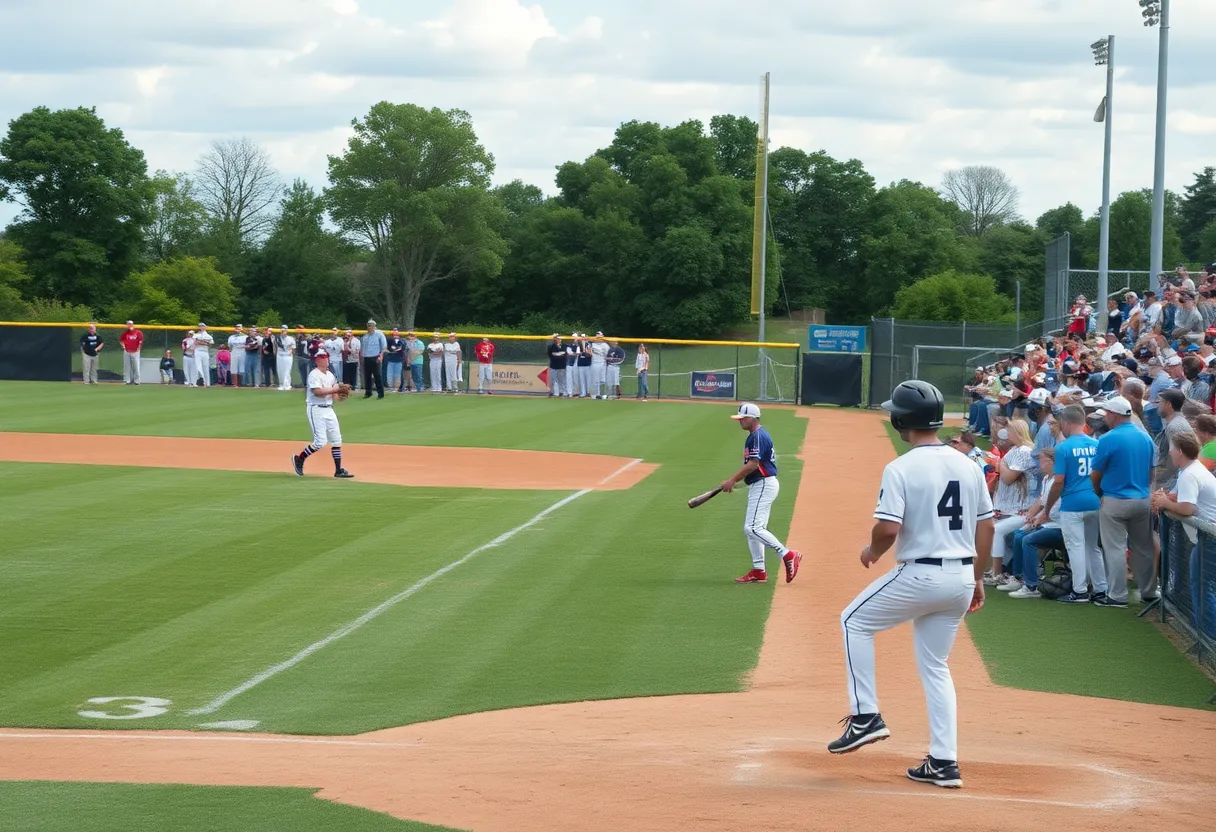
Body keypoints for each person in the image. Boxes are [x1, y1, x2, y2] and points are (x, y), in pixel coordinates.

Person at [829, 380, 991, 792]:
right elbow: (986, 525)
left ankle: (865, 716)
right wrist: (976, 578)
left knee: (853, 621)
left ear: (902, 420)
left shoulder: (901, 467)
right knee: (937, 668)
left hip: (922, 573)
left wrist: (872, 550)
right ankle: (943, 762)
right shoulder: (968, 463)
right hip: (959, 577)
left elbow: (888, 527)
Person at [722, 402, 802, 584]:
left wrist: (732, 480)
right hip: (761, 484)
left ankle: (788, 554)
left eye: (743, 418)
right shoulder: (755, 435)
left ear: (753, 418)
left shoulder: (757, 436)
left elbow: (753, 464)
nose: (740, 422)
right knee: (754, 529)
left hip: (764, 484)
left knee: (752, 528)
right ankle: (759, 570)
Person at [1091, 396, 1157, 608]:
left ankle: (1117, 596)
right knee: (1144, 547)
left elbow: (1096, 474)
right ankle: (1148, 592)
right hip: (1142, 499)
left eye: (1107, 414)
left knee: (1115, 549)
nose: (1106, 418)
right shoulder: (1145, 437)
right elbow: (1152, 472)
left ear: (1114, 414)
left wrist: (1098, 494)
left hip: (1115, 500)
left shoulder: (1108, 439)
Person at [1041, 405, 1109, 604]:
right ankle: (1100, 589)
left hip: (1072, 503)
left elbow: (1059, 481)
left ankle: (1079, 591)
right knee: (1093, 548)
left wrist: (1047, 508)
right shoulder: (1096, 445)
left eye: (1061, 422)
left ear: (1068, 422)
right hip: (1095, 501)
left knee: (1076, 548)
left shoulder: (1063, 447)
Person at [1151, 431, 1216, 627]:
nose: (1169, 452)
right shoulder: (1190, 470)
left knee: (1202, 587)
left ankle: (1207, 637)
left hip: (1209, 539)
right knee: (1201, 586)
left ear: (1179, 451)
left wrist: (1164, 502)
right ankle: (1203, 634)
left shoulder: (1190, 473)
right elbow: (1181, 499)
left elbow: (1188, 507)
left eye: (1171, 448)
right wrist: (1166, 499)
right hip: (1207, 538)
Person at [1003, 447, 1064, 598]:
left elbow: (1054, 511)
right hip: (1049, 524)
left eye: (1042, 460)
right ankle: (1019, 577)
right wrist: (1031, 515)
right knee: (1018, 535)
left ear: (1052, 462)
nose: (1039, 463)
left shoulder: (1058, 480)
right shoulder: (1047, 479)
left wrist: (1037, 521)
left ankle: (1031, 585)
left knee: (1028, 540)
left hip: (1059, 527)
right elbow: (1042, 501)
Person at [986, 421, 1036, 587]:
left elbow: (1008, 478)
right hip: (1011, 505)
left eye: (1010, 431)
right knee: (991, 531)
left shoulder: (1025, 451)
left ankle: (997, 573)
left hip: (1023, 508)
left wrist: (1000, 464)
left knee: (997, 531)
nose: (1007, 434)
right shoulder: (1015, 450)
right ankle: (1002, 570)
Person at [291, 352, 354, 480]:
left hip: (329, 409)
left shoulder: (330, 375)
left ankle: (338, 470)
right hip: (316, 409)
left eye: (326, 357)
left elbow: (334, 397)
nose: (326, 360)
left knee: (336, 439)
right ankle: (299, 458)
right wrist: (335, 390)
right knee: (320, 441)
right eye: (322, 358)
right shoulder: (314, 375)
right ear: (317, 361)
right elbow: (317, 392)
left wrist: (341, 397)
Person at [361, 319, 387, 399]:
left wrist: (381, 355)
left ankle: (380, 393)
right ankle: (368, 392)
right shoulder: (365, 336)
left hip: (376, 356)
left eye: (371, 325)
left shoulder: (379, 334)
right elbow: (363, 348)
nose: (370, 327)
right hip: (367, 357)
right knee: (367, 376)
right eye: (368, 325)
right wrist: (363, 357)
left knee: (377, 375)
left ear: (374, 326)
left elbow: (384, 345)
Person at [119, 320, 143, 385]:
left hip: (135, 351)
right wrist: (123, 346)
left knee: (136, 366)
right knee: (127, 366)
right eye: (128, 324)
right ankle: (127, 380)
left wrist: (139, 348)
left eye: (130, 324)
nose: (129, 325)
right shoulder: (125, 333)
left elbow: (140, 341)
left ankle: (137, 381)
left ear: (133, 325)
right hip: (127, 351)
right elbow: (121, 340)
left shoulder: (138, 332)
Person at [192, 323, 214, 387]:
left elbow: (211, 344)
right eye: (200, 326)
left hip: (205, 351)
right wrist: (205, 342)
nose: (201, 327)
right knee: (197, 366)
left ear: (205, 327)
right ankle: (194, 382)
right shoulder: (196, 335)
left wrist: (202, 342)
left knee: (206, 366)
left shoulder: (209, 336)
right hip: (198, 351)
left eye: (202, 326)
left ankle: (207, 383)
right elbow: (195, 342)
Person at [384, 328, 406, 393]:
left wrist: (394, 349)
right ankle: (390, 388)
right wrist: (390, 350)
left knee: (397, 375)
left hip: (398, 361)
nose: (395, 335)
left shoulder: (402, 341)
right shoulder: (389, 340)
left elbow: (401, 348)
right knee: (389, 375)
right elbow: (386, 348)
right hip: (390, 360)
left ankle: (396, 388)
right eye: (394, 333)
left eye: (396, 333)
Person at [275, 325, 296, 391]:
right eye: (282, 330)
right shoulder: (277, 338)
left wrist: (291, 354)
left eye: (284, 330)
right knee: (280, 371)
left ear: (287, 331)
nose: (283, 332)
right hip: (279, 356)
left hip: (288, 356)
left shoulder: (291, 338)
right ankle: (281, 384)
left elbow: (293, 348)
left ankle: (287, 385)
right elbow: (275, 346)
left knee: (287, 371)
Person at [590, 331, 610, 398]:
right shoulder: (592, 344)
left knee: (603, 380)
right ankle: (596, 395)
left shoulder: (605, 345)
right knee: (596, 380)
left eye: (600, 335)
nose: (598, 336)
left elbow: (607, 355)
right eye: (597, 335)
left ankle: (603, 394)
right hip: (595, 363)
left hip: (602, 363)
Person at [564, 333, 578, 398]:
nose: (574, 339)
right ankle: (569, 392)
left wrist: (576, 353)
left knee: (576, 378)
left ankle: (575, 392)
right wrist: (576, 353)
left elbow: (577, 353)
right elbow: (570, 353)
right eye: (573, 337)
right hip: (569, 363)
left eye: (575, 338)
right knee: (569, 378)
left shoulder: (579, 345)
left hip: (576, 363)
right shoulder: (568, 345)